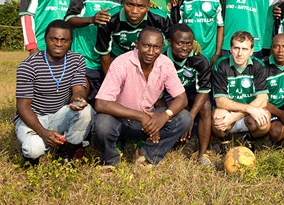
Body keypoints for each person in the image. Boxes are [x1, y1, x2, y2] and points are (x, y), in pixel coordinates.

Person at [93, 27, 192, 168]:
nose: (151, 52)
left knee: (184, 118)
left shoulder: (166, 64)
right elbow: (101, 104)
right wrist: (141, 116)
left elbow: (182, 99)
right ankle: (110, 160)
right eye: (146, 46)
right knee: (101, 123)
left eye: (156, 47)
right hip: (119, 119)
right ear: (137, 44)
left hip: (147, 121)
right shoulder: (122, 63)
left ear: (162, 47)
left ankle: (146, 154)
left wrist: (164, 116)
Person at [14, 20, 93, 166]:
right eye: (54, 39)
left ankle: (66, 150)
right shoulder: (28, 66)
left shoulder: (76, 60)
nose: (59, 44)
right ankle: (32, 153)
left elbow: (79, 89)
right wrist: (43, 132)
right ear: (45, 39)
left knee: (86, 111)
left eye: (64, 40)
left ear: (70, 41)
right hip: (34, 118)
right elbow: (23, 106)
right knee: (34, 149)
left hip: (59, 115)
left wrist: (78, 98)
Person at [65, 0, 126, 105]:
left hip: (108, 63)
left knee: (105, 104)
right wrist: (91, 19)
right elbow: (69, 19)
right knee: (80, 100)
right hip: (84, 61)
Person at [163, 24, 213, 166]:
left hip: (191, 92)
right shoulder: (160, 59)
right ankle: (169, 143)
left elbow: (203, 91)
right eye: (180, 43)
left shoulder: (200, 60)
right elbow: (156, 94)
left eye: (188, 44)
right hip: (169, 95)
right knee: (176, 111)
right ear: (169, 42)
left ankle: (202, 154)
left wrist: (190, 116)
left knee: (206, 106)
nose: (184, 48)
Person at [95, 0, 170, 75]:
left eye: (141, 6)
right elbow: (104, 54)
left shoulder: (161, 18)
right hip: (118, 61)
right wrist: (112, 81)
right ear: (123, 2)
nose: (134, 11)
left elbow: (168, 45)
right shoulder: (108, 18)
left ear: (148, 7)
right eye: (130, 4)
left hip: (148, 61)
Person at [211, 31, 271, 139]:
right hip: (228, 112)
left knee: (264, 121)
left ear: (252, 51)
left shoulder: (259, 65)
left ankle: (249, 138)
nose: (240, 53)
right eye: (236, 48)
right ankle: (226, 140)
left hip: (248, 114)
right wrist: (248, 109)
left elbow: (262, 100)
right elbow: (220, 101)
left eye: (244, 49)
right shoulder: (221, 65)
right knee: (218, 120)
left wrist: (236, 116)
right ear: (230, 49)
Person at [170, 0, 226, 66]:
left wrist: (217, 53)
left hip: (210, 55)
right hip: (187, 54)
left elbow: (220, 26)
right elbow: (177, 28)